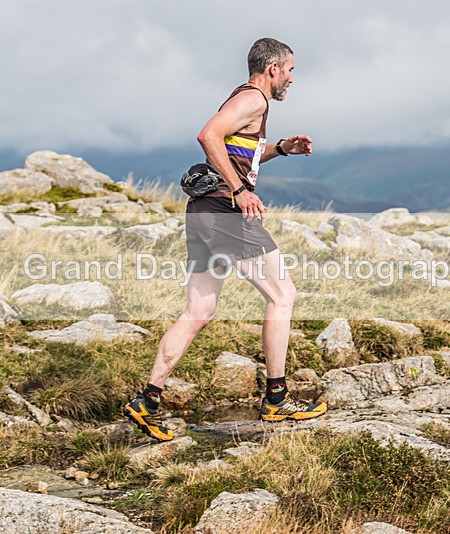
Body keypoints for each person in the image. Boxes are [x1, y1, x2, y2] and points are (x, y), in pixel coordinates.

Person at [123, 37, 327, 442]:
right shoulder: (254, 99)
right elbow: (209, 136)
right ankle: (277, 399)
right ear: (273, 69)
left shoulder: (243, 99)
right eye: (290, 70)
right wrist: (240, 190)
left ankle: (146, 402)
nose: (291, 78)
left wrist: (280, 148)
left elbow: (236, 152)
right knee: (283, 295)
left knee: (199, 311)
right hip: (226, 211)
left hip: (203, 212)